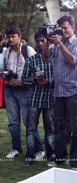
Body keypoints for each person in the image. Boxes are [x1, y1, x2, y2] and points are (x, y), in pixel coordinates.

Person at [46, 15, 77, 171]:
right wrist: (47, 42)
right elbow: (45, 57)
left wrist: (60, 44)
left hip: (74, 90)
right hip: (59, 91)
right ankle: (60, 158)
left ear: (73, 28)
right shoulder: (56, 43)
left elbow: (73, 61)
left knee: (76, 126)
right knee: (59, 127)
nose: (63, 31)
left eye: (65, 28)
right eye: (60, 28)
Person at [1, 26, 39, 159]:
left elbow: (38, 70)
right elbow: (4, 69)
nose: (11, 39)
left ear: (19, 36)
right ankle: (16, 148)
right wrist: (4, 75)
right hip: (10, 88)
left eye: (13, 36)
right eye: (9, 37)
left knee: (28, 121)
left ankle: (38, 149)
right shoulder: (6, 52)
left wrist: (23, 82)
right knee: (12, 122)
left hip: (24, 89)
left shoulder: (28, 50)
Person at [21, 31, 55, 167]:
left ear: (48, 41)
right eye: (38, 41)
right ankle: (30, 155)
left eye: (43, 41)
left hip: (50, 98)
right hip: (34, 98)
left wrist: (49, 82)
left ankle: (51, 153)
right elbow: (24, 79)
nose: (40, 44)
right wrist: (35, 79)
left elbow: (60, 77)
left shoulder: (55, 58)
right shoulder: (31, 60)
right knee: (30, 129)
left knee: (50, 128)